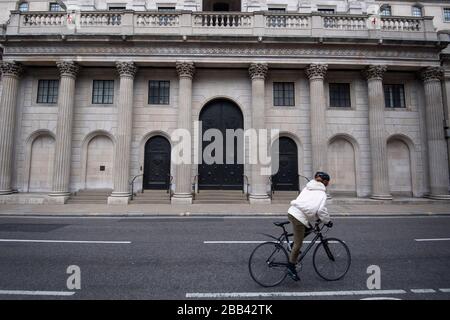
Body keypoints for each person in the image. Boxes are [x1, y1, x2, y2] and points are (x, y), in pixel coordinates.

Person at [286, 171, 333, 281]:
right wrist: (327, 221)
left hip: (292, 212)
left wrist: (317, 218)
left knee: (309, 229)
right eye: (328, 182)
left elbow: (308, 204)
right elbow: (321, 210)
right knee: (299, 244)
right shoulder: (322, 194)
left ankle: (292, 246)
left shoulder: (308, 187)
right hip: (299, 217)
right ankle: (291, 267)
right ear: (325, 182)